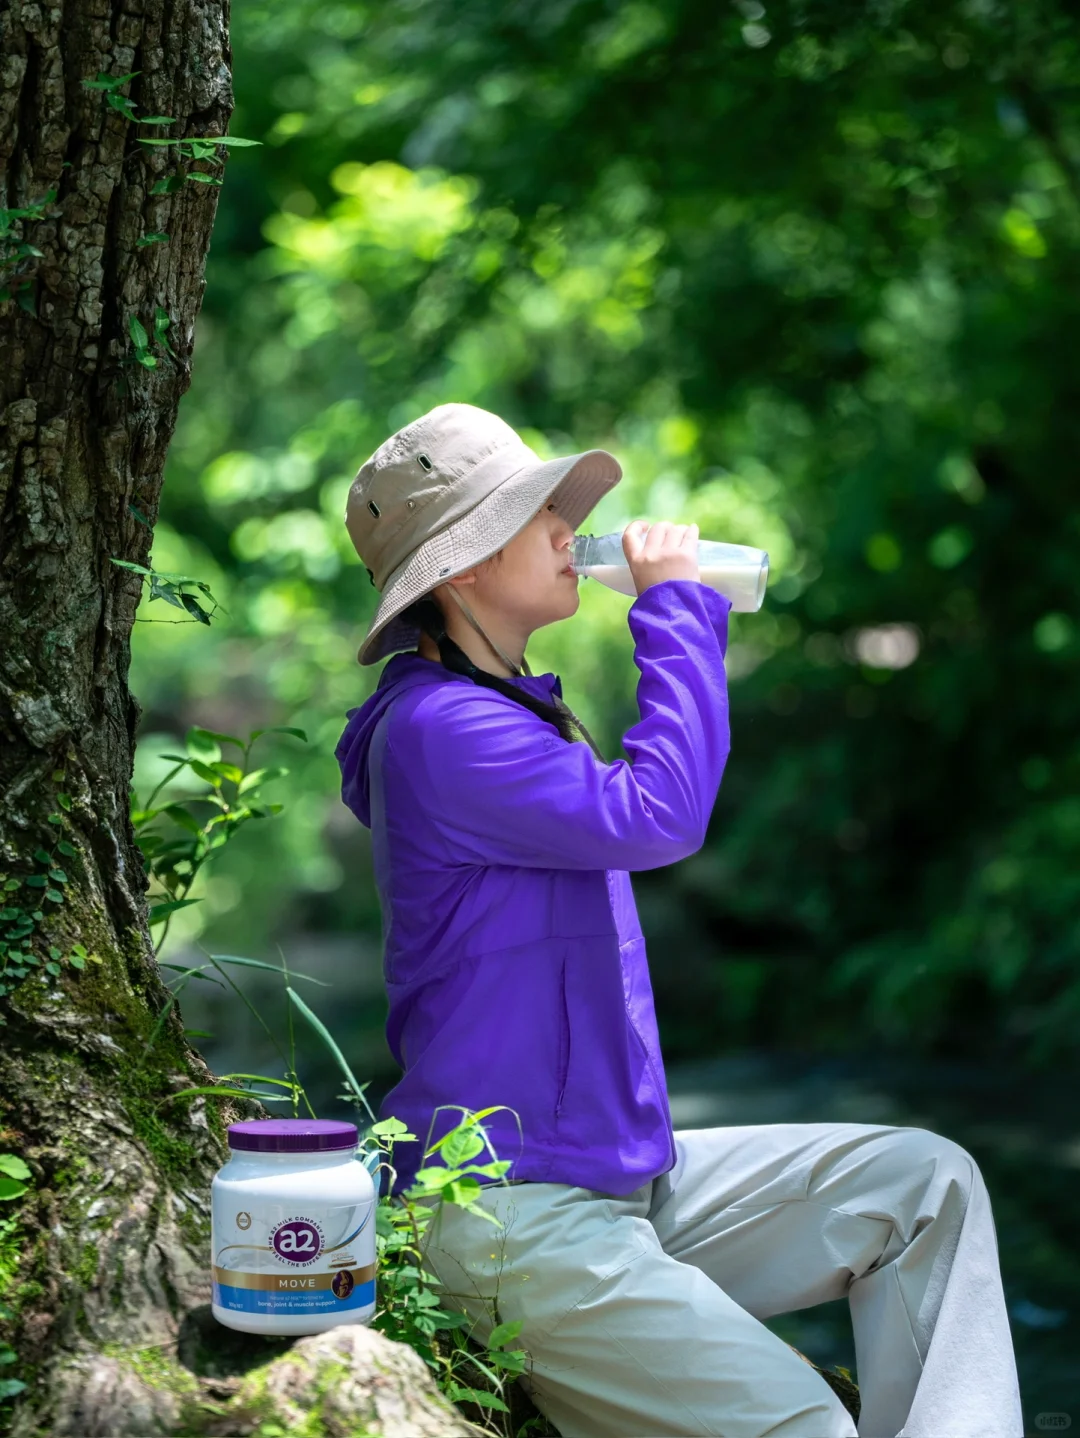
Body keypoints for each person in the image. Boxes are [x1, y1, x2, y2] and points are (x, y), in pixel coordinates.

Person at [334, 402, 1023, 1438]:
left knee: (924, 1185)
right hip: (513, 1215)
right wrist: (673, 610)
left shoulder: (503, 709)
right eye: (533, 514)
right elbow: (658, 815)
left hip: (622, 1184)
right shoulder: (440, 729)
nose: (569, 530)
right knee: (808, 1429)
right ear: (462, 566)